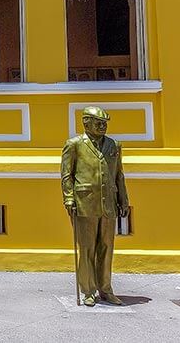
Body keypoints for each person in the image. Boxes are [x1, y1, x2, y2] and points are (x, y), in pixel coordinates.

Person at [61, 106, 130, 307]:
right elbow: (67, 175)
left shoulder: (114, 145)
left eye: (105, 123)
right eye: (98, 122)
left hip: (109, 202)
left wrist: (123, 200)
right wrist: (69, 199)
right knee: (87, 248)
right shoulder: (74, 145)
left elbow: (119, 175)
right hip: (84, 203)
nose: (102, 126)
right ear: (86, 123)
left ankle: (106, 289)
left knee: (107, 248)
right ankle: (88, 290)